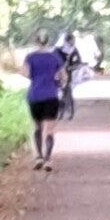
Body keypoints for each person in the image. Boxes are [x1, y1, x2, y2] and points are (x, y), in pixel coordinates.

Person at [23, 28, 66, 169]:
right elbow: (63, 77)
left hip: (35, 95)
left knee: (37, 127)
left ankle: (38, 157)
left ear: (36, 41)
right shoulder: (55, 57)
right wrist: (59, 83)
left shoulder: (30, 57)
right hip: (51, 95)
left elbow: (25, 73)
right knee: (50, 129)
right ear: (48, 41)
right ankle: (48, 159)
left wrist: (36, 77)